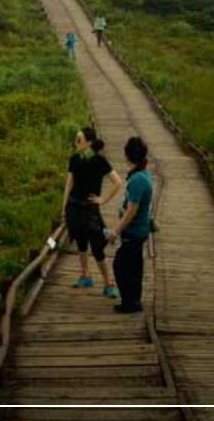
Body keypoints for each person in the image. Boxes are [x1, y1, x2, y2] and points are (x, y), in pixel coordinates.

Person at [62, 126, 124, 298]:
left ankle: (108, 283)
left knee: (97, 247)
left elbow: (118, 182)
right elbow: (69, 184)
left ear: (89, 142)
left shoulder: (99, 161)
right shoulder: (74, 159)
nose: (76, 142)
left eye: (79, 139)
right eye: (76, 139)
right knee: (80, 242)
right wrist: (64, 207)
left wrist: (103, 200)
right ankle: (85, 275)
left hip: (90, 209)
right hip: (74, 206)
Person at [107, 136, 153, 313]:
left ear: (128, 156)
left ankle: (129, 302)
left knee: (120, 265)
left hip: (134, 231)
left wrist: (115, 231)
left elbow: (131, 211)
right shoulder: (143, 174)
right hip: (140, 230)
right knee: (134, 265)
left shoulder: (137, 180)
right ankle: (134, 301)